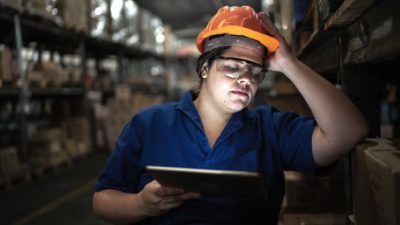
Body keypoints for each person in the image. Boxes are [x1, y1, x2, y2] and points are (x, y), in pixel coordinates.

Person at [92, 5, 368, 225]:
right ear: (204, 68)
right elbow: (102, 200)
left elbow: (348, 132)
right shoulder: (150, 124)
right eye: (233, 67)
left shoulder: (269, 128)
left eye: (255, 72)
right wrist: (140, 205)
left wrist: (288, 63)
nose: (246, 79)